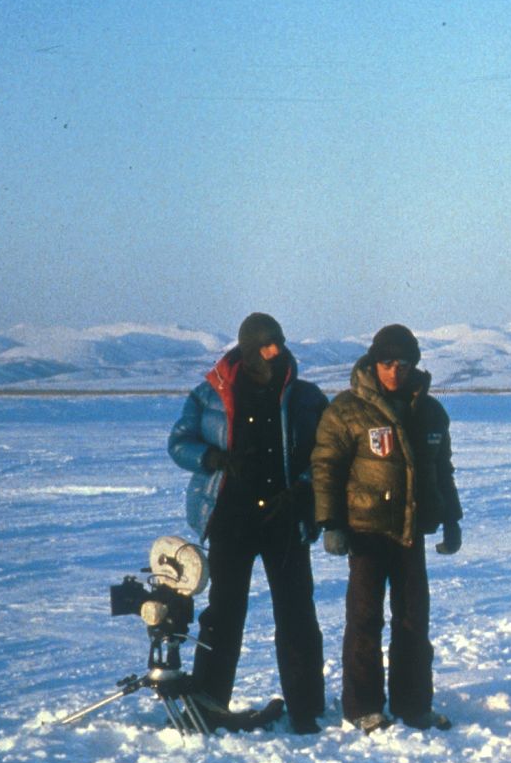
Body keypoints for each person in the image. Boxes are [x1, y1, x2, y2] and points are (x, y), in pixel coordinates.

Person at [167, 312, 328, 733]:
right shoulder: (209, 395)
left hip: (284, 517)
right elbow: (179, 443)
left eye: (279, 342)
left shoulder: (305, 397)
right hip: (230, 518)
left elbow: (324, 456)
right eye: (266, 344)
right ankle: (207, 702)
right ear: (248, 347)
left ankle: (307, 706)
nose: (275, 352)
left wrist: (303, 489)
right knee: (223, 612)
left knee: (296, 613)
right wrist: (213, 458)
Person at [311, 324, 463, 734]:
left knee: (414, 621)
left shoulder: (430, 411)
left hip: (410, 532)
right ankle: (362, 706)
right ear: (374, 362)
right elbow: (325, 467)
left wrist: (452, 518)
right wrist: (330, 523)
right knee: (364, 620)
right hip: (366, 533)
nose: (395, 371)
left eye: (404, 363)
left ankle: (414, 705)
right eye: (387, 362)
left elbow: (441, 471)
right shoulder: (347, 410)